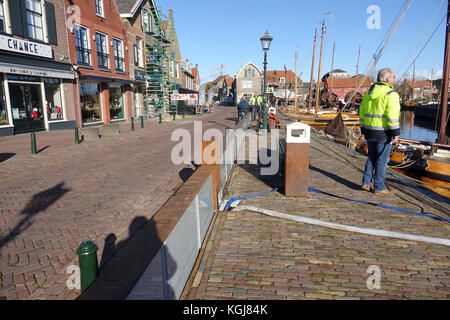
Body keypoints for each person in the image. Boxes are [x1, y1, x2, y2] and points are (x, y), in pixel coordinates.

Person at [360, 68, 400, 195]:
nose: (394, 79)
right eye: (393, 77)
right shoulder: (390, 93)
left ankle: (366, 183)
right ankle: (379, 187)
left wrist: (363, 128)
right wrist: (396, 133)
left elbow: (361, 111)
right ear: (388, 79)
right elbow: (392, 115)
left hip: (369, 130)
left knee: (371, 156)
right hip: (383, 132)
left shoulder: (368, 92)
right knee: (382, 159)